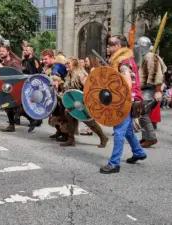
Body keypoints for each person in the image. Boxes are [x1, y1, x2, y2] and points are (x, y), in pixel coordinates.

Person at [100, 35, 147, 174]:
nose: (108, 47)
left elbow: (126, 84)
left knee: (119, 131)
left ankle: (114, 164)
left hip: (126, 100)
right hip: (133, 99)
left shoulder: (122, 62)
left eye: (111, 44)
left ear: (118, 46)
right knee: (127, 131)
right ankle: (138, 152)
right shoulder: (129, 59)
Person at [62, 57, 108, 147]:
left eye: (68, 63)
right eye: (65, 63)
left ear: (74, 65)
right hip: (74, 101)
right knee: (69, 114)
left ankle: (103, 137)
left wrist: (88, 101)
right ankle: (71, 139)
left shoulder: (81, 74)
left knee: (88, 121)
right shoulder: (69, 75)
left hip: (84, 101)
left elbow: (89, 87)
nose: (66, 65)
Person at [135, 36, 166, 147]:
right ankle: (145, 138)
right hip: (147, 90)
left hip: (149, 90)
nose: (136, 47)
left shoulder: (150, 56)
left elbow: (155, 73)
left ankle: (151, 138)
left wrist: (158, 90)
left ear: (142, 46)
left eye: (138, 45)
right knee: (143, 114)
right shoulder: (147, 57)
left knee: (143, 114)